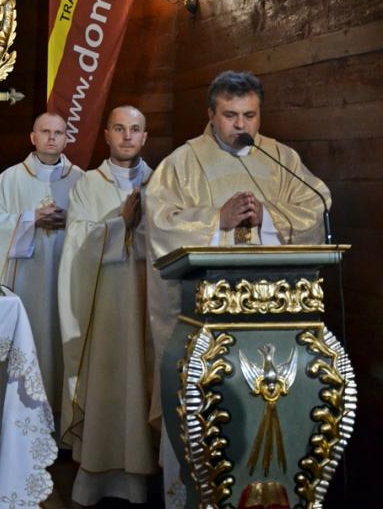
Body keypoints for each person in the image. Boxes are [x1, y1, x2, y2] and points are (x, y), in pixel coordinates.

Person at [145, 70, 332, 505]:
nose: (242, 125)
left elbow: (317, 206)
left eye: (250, 115)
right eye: (231, 115)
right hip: (203, 320)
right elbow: (160, 223)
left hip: (277, 324)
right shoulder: (182, 162)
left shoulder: (282, 158)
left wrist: (268, 217)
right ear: (211, 114)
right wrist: (217, 220)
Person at [58, 105, 157, 506]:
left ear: (145, 137)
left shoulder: (160, 182)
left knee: (142, 384)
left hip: (148, 306)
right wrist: (120, 223)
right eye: (119, 128)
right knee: (104, 383)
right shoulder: (88, 184)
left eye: (135, 129)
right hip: (102, 307)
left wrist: (141, 227)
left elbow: (172, 238)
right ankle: (95, 478)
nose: (127, 136)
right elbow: (76, 243)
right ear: (107, 135)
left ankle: (140, 480)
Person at [0, 112, 83, 412]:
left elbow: (96, 226)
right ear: (33, 137)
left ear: (66, 139)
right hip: (24, 284)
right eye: (45, 131)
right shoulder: (11, 178)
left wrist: (72, 220)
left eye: (58, 132)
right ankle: (20, 418)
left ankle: (64, 421)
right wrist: (30, 219)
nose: (51, 138)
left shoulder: (81, 180)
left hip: (67, 280)